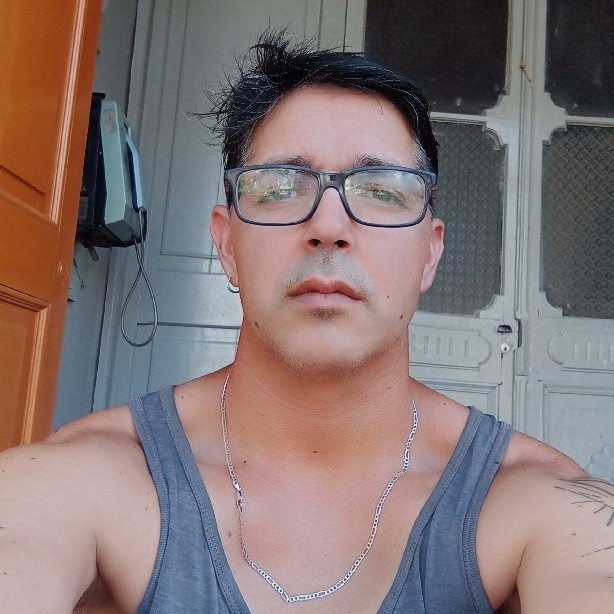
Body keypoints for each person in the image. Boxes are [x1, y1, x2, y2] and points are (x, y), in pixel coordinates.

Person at [1, 32, 613, 614]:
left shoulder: (538, 500)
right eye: (278, 187)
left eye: (382, 190)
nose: (328, 225)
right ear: (227, 244)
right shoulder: (91, 477)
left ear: (430, 252)